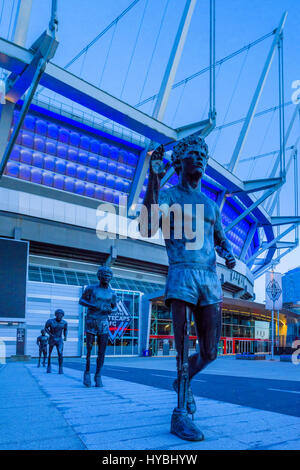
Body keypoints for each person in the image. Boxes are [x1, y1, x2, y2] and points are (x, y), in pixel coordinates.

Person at [140, 134, 236, 441]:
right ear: (179, 162)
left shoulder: (209, 204)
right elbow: (146, 226)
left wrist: (229, 253)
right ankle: (179, 414)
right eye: (192, 153)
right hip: (182, 274)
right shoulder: (169, 196)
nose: (199, 158)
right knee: (182, 353)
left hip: (210, 280)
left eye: (203, 155)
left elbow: (220, 237)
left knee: (210, 352)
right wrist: (153, 179)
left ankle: (183, 381)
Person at [79, 266, 117, 387]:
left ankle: (98, 375)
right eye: (104, 275)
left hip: (104, 322)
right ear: (99, 276)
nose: (106, 277)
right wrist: (93, 305)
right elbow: (81, 301)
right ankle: (87, 373)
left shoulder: (112, 293)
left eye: (109, 275)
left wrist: (112, 310)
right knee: (89, 350)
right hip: (91, 321)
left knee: (102, 351)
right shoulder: (91, 288)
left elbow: (115, 306)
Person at [45, 309, 68, 374]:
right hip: (52, 339)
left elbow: (65, 330)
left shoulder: (64, 322)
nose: (59, 315)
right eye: (58, 314)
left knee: (60, 353)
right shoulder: (50, 321)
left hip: (59, 339)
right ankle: (49, 366)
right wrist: (50, 334)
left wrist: (65, 336)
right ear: (55, 315)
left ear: (63, 315)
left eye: (61, 314)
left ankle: (60, 368)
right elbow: (46, 328)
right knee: (49, 353)